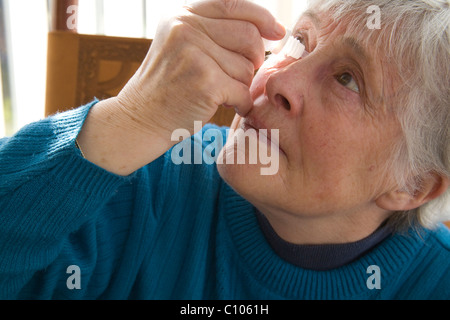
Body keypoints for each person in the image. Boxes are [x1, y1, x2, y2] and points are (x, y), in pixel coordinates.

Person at [0, 0, 449, 300]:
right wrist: (130, 120)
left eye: (347, 78)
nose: (275, 80)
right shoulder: (151, 177)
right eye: (299, 42)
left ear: (411, 185)